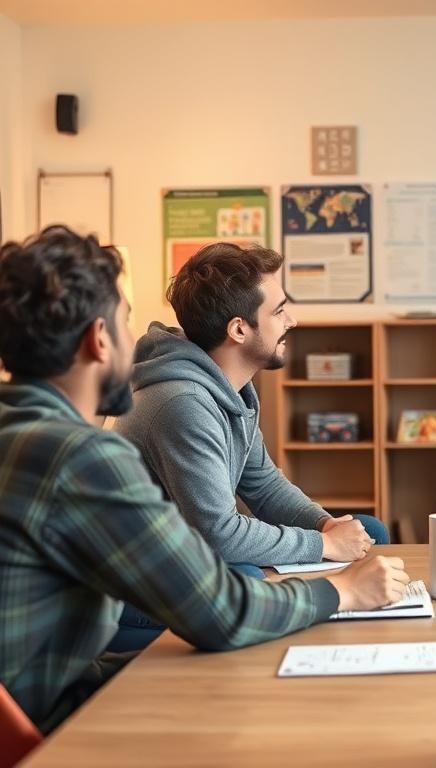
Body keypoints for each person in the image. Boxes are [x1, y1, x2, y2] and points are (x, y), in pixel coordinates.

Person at [0, 227, 410, 733]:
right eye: (127, 326)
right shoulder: (81, 456)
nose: (139, 346)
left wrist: (326, 532)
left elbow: (260, 485)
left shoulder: (20, 431)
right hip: (42, 724)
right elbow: (220, 610)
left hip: (44, 690)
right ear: (98, 339)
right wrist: (343, 592)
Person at [115, 242, 389, 578]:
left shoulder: (230, 388)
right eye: (278, 312)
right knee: (246, 575)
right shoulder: (182, 404)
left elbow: (264, 486)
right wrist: (324, 544)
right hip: (142, 575)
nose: (293, 320)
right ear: (239, 330)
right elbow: (219, 535)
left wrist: (324, 524)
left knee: (368, 529)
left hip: (191, 548)